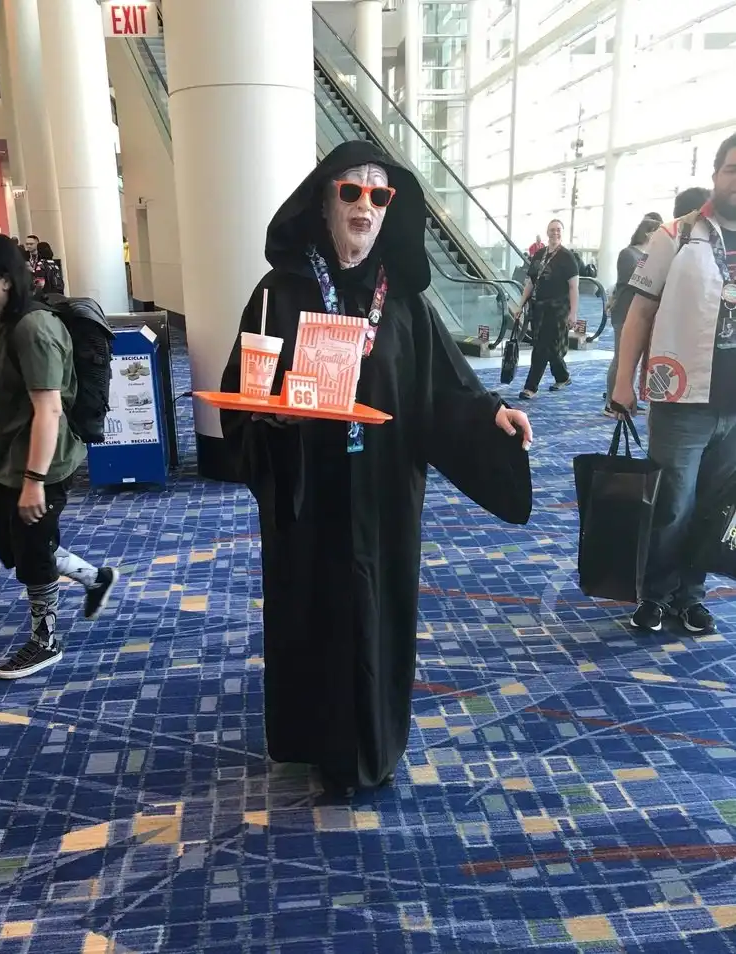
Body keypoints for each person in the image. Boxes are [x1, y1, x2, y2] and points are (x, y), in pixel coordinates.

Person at [220, 141, 533, 795]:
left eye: (379, 194)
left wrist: (491, 413)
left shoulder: (404, 302)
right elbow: (244, 390)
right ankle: (313, 740)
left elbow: (446, 388)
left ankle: (371, 744)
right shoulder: (278, 293)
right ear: (323, 202)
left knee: (376, 607)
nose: (365, 204)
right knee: (312, 606)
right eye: (351, 190)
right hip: (309, 488)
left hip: (385, 491)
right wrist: (270, 421)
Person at [0, 233, 118, 678]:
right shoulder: (0, 318)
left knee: (31, 552)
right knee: (12, 546)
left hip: (42, 460)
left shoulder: (33, 328)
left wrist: (34, 482)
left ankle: (46, 641)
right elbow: (6, 380)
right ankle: (95, 578)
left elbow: (49, 409)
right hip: (9, 456)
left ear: (4, 278)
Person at [612, 132, 736, 635]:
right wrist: (623, 381)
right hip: (682, 398)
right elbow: (639, 312)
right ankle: (656, 595)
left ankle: (691, 596)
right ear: (716, 174)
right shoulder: (675, 235)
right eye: (733, 169)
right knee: (671, 505)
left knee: (715, 507)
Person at [514, 219, 579, 400]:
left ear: (562, 232)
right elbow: (530, 283)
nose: (555, 233)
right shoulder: (539, 254)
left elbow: (574, 287)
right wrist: (520, 305)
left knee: (542, 346)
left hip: (558, 308)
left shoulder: (567, 257)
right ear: (547, 232)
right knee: (551, 346)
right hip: (538, 308)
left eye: (558, 229)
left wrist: (573, 313)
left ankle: (531, 387)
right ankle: (562, 376)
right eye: (552, 230)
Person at [604, 216, 662, 416]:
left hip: (640, 315)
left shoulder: (648, 255)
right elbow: (638, 280)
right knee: (621, 359)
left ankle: (627, 399)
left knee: (633, 360)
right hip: (624, 313)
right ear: (648, 233)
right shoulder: (628, 254)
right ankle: (611, 402)